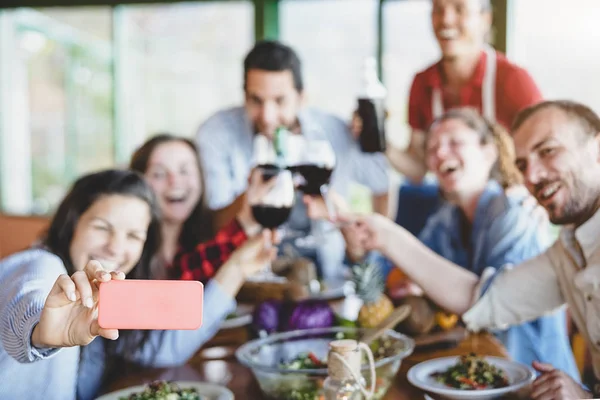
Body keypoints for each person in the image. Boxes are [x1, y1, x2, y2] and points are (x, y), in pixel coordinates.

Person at [338, 100, 600, 399]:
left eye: (548, 150)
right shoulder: (567, 247)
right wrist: (380, 237)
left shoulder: (515, 214)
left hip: (523, 369)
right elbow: (485, 298)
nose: (533, 177)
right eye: (523, 164)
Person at [0, 169, 276, 400]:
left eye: (133, 235)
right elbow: (24, 309)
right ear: (72, 224)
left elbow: (162, 350)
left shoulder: (104, 298)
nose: (115, 247)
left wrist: (237, 268)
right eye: (102, 228)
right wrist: (39, 334)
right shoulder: (41, 265)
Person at [390, 108, 577, 377]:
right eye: (432, 148)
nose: (440, 153)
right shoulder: (445, 217)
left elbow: (496, 310)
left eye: (454, 142)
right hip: (480, 367)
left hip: (535, 376)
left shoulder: (514, 213)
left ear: (489, 153)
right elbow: (411, 271)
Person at [196, 40, 389, 278]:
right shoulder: (216, 134)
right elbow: (212, 225)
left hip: (328, 274)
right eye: (256, 100)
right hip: (247, 277)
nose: (267, 117)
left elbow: (383, 182)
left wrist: (368, 244)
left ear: (301, 97)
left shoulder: (333, 131)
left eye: (279, 101)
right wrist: (251, 196)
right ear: (244, 96)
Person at [384, 0, 543, 236]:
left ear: (485, 19)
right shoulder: (422, 83)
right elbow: (418, 168)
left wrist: (537, 195)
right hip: (451, 217)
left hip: (506, 217)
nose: (446, 19)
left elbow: (545, 151)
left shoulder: (513, 81)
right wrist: (379, 141)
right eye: (438, 10)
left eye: (459, 9)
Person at [130, 134, 272, 282]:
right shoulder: (128, 247)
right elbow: (179, 284)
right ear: (138, 182)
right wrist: (245, 222)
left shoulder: (203, 239)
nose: (175, 181)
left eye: (184, 171)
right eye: (159, 174)